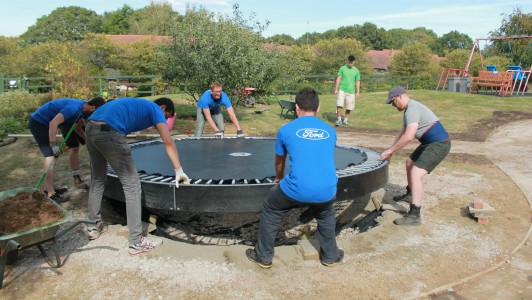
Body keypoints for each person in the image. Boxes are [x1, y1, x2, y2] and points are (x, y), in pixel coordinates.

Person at [246, 87, 343, 269]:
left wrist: (279, 178)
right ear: (318, 108)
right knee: (326, 212)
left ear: (296, 107)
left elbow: (279, 162)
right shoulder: (330, 131)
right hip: (327, 188)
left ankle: (264, 256)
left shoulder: (286, 130)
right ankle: (330, 256)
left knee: (271, 208)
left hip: (296, 189)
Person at [84, 97, 190, 255]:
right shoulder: (155, 109)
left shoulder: (140, 105)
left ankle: (93, 226)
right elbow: (167, 141)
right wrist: (179, 170)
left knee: (98, 180)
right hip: (109, 132)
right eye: (166, 116)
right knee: (132, 186)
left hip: (90, 128)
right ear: (162, 108)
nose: (164, 121)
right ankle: (136, 242)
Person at [380, 86, 451, 226]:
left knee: (416, 173)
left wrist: (390, 151)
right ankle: (410, 193)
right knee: (409, 163)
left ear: (400, 96)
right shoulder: (410, 109)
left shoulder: (412, 109)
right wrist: (390, 150)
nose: (393, 105)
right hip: (429, 143)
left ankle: (414, 215)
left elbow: (408, 137)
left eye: (393, 102)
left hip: (439, 144)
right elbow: (402, 133)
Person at [29, 97, 106, 202]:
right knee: (51, 158)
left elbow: (77, 128)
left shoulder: (84, 111)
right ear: (92, 107)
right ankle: (51, 194)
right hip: (39, 123)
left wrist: (89, 141)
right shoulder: (73, 108)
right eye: (97, 112)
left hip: (46, 124)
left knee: (53, 158)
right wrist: (53, 145)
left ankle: (48, 188)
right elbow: (53, 123)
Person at [334, 55, 361, 127]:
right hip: (342, 89)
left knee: (349, 106)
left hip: (351, 91)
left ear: (354, 62)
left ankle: (345, 120)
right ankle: (339, 119)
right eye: (349, 62)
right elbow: (339, 78)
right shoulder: (342, 68)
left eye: (351, 63)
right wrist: (336, 89)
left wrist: (358, 92)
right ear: (347, 61)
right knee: (339, 104)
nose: (350, 64)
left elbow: (357, 81)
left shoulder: (356, 71)